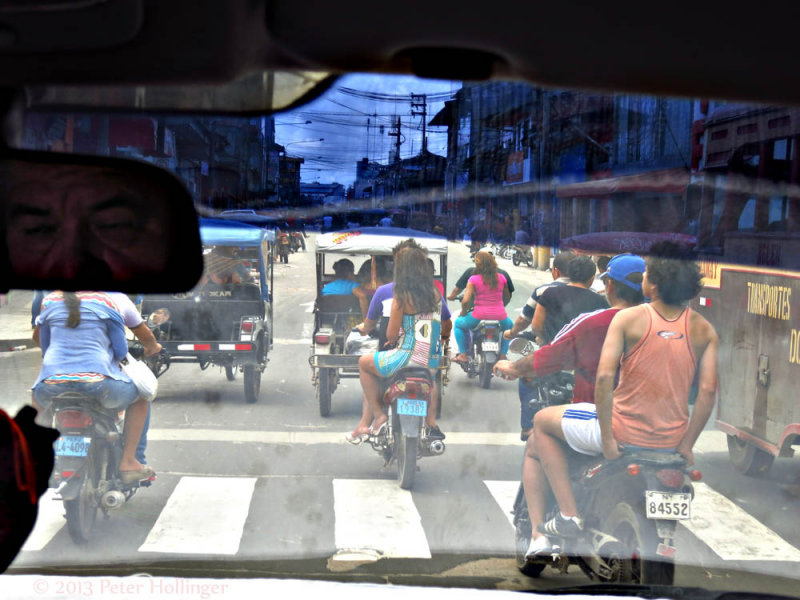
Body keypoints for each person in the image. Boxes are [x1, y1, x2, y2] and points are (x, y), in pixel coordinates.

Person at [531, 242, 718, 552]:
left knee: (541, 422)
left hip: (623, 433)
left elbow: (604, 379)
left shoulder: (628, 320)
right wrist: (686, 444)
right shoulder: (704, 329)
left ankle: (568, 514)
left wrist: (607, 438)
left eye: (646, 273)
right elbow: (708, 392)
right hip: (671, 443)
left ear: (653, 283)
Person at [492, 254, 647, 558]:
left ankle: (547, 530)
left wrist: (513, 368)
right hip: (658, 429)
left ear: (610, 286)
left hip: (604, 421)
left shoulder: (597, 320)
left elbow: (550, 354)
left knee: (539, 429)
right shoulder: (665, 324)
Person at [31, 291, 155, 484]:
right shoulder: (108, 301)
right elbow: (120, 350)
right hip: (98, 385)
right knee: (140, 397)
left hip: (52, 385)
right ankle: (129, 461)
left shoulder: (49, 300)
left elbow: (44, 345)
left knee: (39, 401)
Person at [347, 245, 452, 443]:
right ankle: (431, 423)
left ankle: (378, 415)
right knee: (432, 379)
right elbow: (447, 323)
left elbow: (391, 334)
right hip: (430, 362)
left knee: (363, 363)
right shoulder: (435, 294)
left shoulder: (401, 297)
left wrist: (393, 340)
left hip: (405, 357)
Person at [502, 250, 575, 440]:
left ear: (556, 271)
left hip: (548, 349)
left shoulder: (544, 291)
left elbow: (524, 320)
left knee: (527, 375)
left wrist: (513, 333)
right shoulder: (591, 294)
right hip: (577, 355)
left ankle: (528, 426)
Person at [107, 292, 163, 465]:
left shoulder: (55, 300)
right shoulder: (112, 302)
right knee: (141, 397)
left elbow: (42, 341)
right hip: (99, 379)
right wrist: (152, 348)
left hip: (55, 382)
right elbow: (120, 351)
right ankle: (133, 459)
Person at [531, 255, 608, 345]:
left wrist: (545, 339)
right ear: (591, 278)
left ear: (569, 274)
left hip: (551, 350)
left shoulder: (549, 293)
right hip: (582, 355)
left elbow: (536, 326)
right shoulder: (600, 301)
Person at [453, 251, 513, 363]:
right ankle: (503, 355)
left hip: (477, 317)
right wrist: (500, 306)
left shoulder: (473, 279)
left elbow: (465, 301)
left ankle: (463, 354)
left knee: (458, 324)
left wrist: (463, 312)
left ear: (478, 265)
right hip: (500, 317)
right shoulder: (501, 277)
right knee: (509, 328)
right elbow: (508, 297)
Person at [447, 254, 515, 305]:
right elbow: (509, 296)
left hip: (474, 312)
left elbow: (457, 289)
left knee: (457, 322)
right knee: (511, 324)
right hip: (497, 313)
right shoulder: (504, 274)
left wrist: (451, 296)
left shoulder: (471, 272)